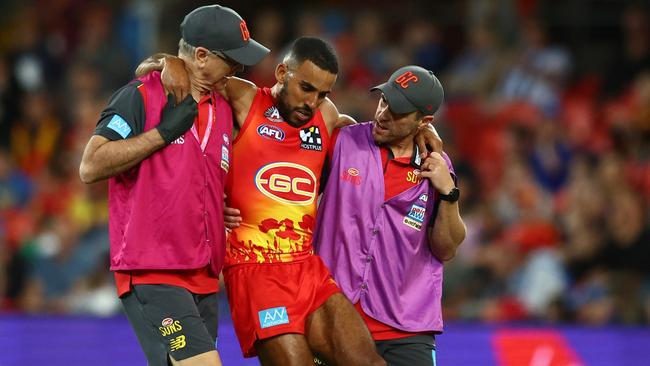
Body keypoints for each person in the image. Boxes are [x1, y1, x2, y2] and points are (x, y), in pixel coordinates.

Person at [144, 38, 442, 365]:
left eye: (323, 94)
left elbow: (371, 137)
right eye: (306, 88)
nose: (312, 102)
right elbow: (189, 71)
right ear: (282, 72)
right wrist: (168, 63)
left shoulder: (326, 117)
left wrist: (423, 135)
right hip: (255, 269)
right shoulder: (244, 99)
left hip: (307, 268)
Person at [78, 5, 269, 366]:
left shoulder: (223, 107)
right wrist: (163, 133)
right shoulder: (141, 95)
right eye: (232, 60)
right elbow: (90, 165)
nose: (239, 70)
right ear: (200, 55)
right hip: (154, 269)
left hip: (203, 276)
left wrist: (215, 206)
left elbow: (191, 177)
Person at [314, 66, 467, 366]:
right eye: (383, 101)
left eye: (397, 111)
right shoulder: (344, 141)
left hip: (406, 328)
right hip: (336, 316)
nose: (383, 114)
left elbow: (446, 248)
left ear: (423, 121)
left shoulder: (435, 165)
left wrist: (448, 193)